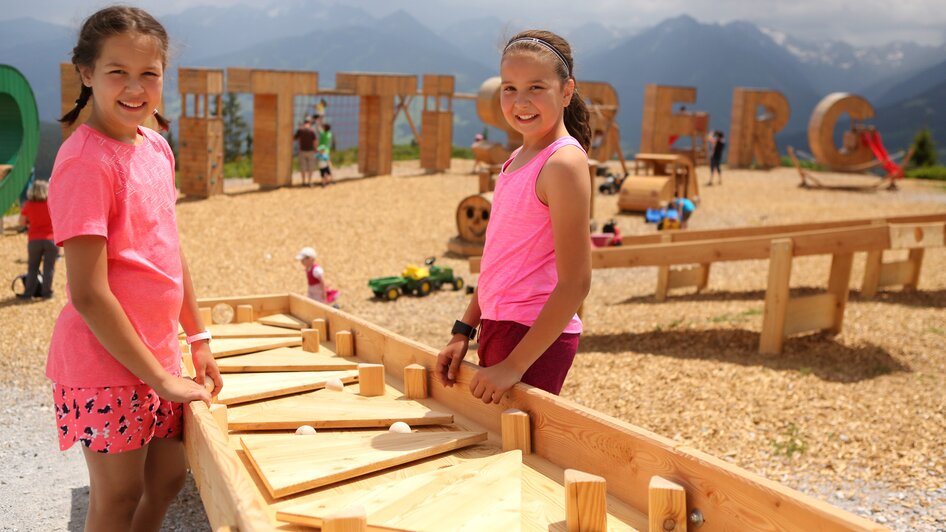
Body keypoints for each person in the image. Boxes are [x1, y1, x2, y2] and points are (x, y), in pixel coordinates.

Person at [48, 7, 222, 531]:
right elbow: (89, 294)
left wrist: (200, 338)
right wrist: (161, 379)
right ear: (86, 73)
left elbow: (170, 252)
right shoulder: (84, 162)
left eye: (149, 73)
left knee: (168, 478)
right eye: (116, 71)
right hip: (104, 365)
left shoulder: (155, 147)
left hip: (160, 356)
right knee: (118, 495)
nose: (134, 87)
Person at [436, 30, 592, 403]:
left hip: (533, 337)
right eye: (510, 88)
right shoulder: (515, 159)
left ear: (566, 91)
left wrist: (515, 365)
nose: (521, 101)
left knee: (515, 452)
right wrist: (463, 330)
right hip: (500, 327)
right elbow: (498, 261)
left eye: (536, 87)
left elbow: (576, 283)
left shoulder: (563, 163)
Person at [17, 180, 58, 300]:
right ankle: (47, 293)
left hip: (34, 240)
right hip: (51, 239)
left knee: (33, 267)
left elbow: (21, 223)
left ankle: (28, 294)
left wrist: (30, 223)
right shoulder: (52, 203)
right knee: (49, 267)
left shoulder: (28, 205)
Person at [293, 119, 317, 186]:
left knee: (303, 167)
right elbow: (315, 141)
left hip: (302, 151)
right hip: (310, 151)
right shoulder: (312, 131)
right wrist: (315, 149)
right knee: (310, 167)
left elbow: (294, 138)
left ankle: (304, 182)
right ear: (309, 124)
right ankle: (309, 182)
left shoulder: (300, 130)